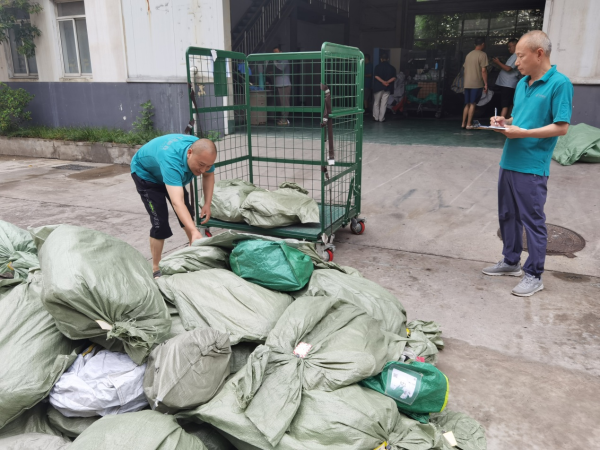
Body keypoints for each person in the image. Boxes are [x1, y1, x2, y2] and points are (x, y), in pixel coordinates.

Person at [482, 30, 573, 297]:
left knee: (532, 221)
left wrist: (523, 133)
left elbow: (561, 127)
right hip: (509, 160)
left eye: (521, 56)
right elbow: (520, 119)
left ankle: (534, 274)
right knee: (507, 215)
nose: (516, 62)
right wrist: (505, 122)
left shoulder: (560, 84)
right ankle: (511, 261)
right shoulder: (522, 84)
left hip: (532, 166)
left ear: (539, 54)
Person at [130, 134, 217, 278]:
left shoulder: (205, 154)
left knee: (187, 214)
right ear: (189, 153)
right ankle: (156, 268)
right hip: (147, 175)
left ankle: (194, 252)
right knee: (160, 222)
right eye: (201, 165)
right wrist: (194, 230)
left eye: (208, 166)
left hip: (170, 173)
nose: (203, 170)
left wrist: (207, 204)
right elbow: (177, 202)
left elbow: (208, 176)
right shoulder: (171, 159)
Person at [462, 37, 489, 129]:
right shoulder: (483, 55)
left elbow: (464, 68)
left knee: (467, 104)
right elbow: (483, 70)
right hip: (476, 83)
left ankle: (463, 123)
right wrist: (486, 84)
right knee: (473, 104)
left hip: (467, 83)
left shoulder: (468, 55)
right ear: (483, 44)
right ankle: (469, 124)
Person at [493, 38, 520, 119]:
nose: (509, 49)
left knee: (505, 104)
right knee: (509, 104)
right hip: (508, 84)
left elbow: (508, 68)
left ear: (516, 45)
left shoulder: (516, 56)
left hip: (508, 84)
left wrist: (498, 62)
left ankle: (501, 121)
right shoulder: (514, 55)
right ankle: (507, 121)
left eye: (510, 46)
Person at [372, 53, 396, 122]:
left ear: (381, 59)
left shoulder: (377, 67)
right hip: (387, 87)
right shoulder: (392, 68)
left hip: (378, 87)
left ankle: (376, 118)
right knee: (384, 103)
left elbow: (376, 76)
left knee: (376, 102)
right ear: (388, 59)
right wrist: (387, 82)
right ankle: (381, 118)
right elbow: (394, 78)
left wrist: (383, 82)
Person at [272, 45, 292, 126]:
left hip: (284, 85)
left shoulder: (284, 59)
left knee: (285, 103)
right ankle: (282, 118)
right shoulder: (277, 61)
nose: (275, 54)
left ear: (281, 52)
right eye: (273, 52)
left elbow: (281, 68)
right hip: (279, 85)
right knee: (280, 103)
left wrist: (274, 61)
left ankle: (284, 119)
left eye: (276, 52)